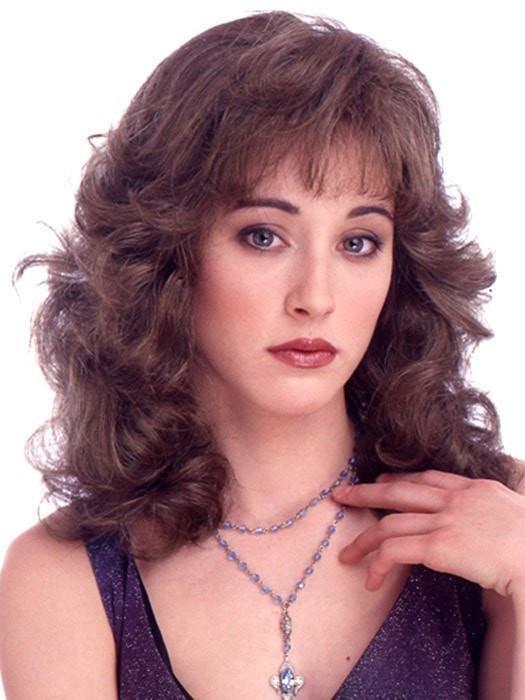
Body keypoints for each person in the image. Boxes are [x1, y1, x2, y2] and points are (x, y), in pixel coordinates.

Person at [1, 10, 524, 699]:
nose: (316, 298)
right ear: (168, 252)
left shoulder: (502, 519)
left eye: (358, 242)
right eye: (263, 236)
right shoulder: (64, 580)